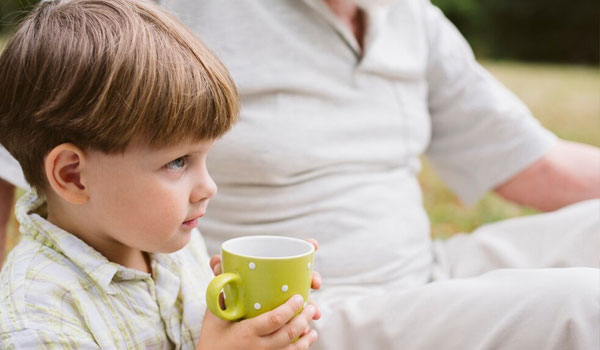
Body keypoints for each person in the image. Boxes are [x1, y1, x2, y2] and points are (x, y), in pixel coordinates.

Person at [156, 0, 598, 349]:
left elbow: (536, 162)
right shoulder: (184, 12)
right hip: (305, 315)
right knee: (583, 303)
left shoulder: (410, 15)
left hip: (425, 270)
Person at [0, 0, 320, 348]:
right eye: (178, 162)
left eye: (205, 157)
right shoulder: (37, 318)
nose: (208, 187)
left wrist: (249, 317)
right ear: (74, 175)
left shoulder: (169, 244)